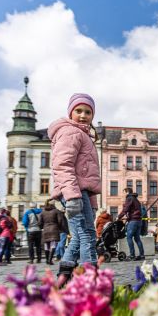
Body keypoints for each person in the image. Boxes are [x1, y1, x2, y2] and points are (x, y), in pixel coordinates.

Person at [49, 93, 102, 285]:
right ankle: (90, 279)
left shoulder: (84, 134)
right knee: (87, 233)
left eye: (88, 112)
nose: (83, 115)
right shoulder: (71, 132)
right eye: (78, 110)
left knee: (79, 237)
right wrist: (71, 197)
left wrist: (93, 204)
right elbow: (62, 165)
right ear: (70, 111)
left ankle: (64, 276)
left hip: (80, 192)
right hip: (73, 193)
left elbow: (88, 177)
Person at [118, 187, 144, 261]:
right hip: (139, 221)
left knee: (129, 237)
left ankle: (132, 255)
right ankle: (142, 255)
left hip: (133, 221)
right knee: (137, 238)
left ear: (127, 192)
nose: (123, 194)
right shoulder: (136, 200)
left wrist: (119, 217)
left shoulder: (129, 198)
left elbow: (126, 209)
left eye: (124, 192)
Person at [40, 199, 65, 265]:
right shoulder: (56, 211)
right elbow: (60, 221)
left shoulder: (43, 212)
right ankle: (50, 260)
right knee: (53, 245)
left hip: (45, 229)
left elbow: (40, 222)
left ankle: (47, 260)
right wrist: (60, 228)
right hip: (54, 229)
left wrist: (42, 227)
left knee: (46, 245)